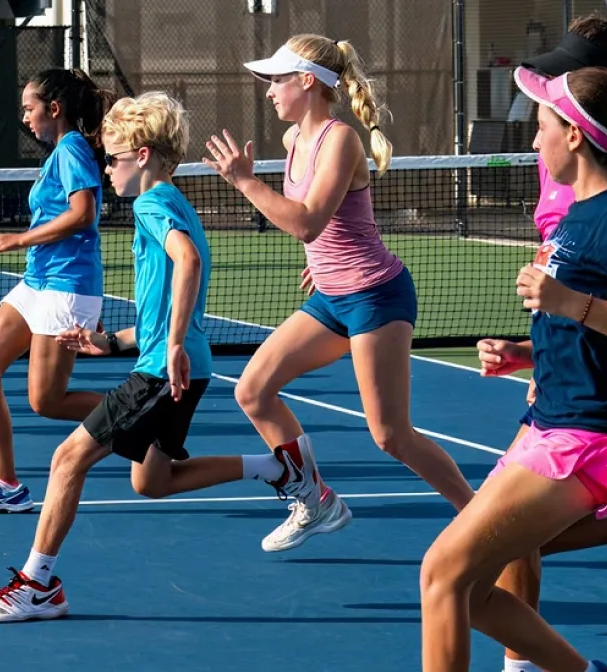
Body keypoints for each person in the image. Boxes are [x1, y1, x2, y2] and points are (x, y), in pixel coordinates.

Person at [0, 91, 319, 622]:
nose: (105, 169)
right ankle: (278, 468)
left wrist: (170, 345)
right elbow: (170, 299)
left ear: (144, 155)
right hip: (185, 364)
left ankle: (36, 584)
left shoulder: (152, 205)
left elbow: (189, 262)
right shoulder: (173, 201)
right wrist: (114, 342)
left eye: (113, 158)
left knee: (67, 459)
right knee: (151, 482)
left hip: (166, 368)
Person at [202, 34, 474, 552]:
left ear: (308, 82)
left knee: (391, 435)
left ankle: (482, 518)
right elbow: (328, 230)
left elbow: (306, 222)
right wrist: (323, 262)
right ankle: (315, 500)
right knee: (252, 391)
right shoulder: (290, 143)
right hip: (331, 296)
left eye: (277, 80)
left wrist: (244, 182)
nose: (268, 92)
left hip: (375, 296)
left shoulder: (340, 139)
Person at [419, 65, 607, 672]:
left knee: (442, 574)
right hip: (551, 422)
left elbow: (597, 310)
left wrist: (572, 301)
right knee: (474, 582)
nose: (533, 140)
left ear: (573, 135)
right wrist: (525, 350)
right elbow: (585, 326)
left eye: (541, 127)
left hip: (586, 440)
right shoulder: (576, 219)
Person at [0, 68, 113, 514]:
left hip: (66, 286)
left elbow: (84, 215)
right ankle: (6, 485)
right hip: (37, 282)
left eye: (29, 109)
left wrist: (18, 239)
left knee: (46, 401)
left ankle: (138, 412)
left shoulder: (73, 149)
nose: (25, 118)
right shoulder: (59, 154)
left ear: (54, 109)